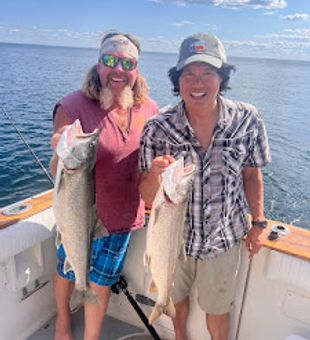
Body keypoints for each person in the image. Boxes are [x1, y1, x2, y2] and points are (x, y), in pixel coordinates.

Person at [139, 32, 271, 340]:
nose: (197, 83)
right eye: (189, 74)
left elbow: (252, 175)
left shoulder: (248, 119)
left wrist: (259, 223)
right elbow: (146, 196)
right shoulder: (157, 127)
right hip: (172, 240)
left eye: (207, 73)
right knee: (177, 299)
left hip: (224, 237)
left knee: (218, 310)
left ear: (222, 77)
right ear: (178, 79)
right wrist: (155, 177)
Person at [49, 31, 158, 340]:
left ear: (137, 68)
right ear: (98, 64)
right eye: (110, 60)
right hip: (78, 212)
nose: (118, 69)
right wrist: (60, 152)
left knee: (102, 281)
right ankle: (62, 322)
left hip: (123, 216)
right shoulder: (72, 106)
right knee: (66, 268)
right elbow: (59, 170)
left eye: (128, 62)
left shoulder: (150, 108)